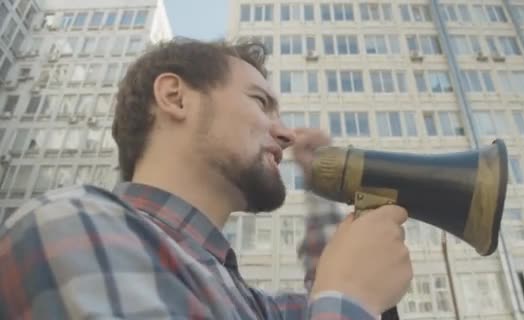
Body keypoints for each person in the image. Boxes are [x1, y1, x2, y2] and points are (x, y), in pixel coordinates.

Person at [0, 38, 413, 319]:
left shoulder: (242, 299)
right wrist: (351, 297)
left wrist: (321, 190)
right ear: (175, 98)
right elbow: (339, 300)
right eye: (261, 103)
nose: (285, 134)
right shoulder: (76, 223)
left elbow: (324, 300)